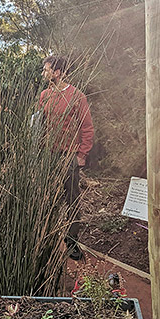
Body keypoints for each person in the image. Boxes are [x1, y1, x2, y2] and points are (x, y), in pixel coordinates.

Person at [40, 55, 94, 261]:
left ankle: (71, 241)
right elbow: (40, 124)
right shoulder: (44, 95)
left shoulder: (76, 96)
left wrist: (82, 155)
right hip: (48, 156)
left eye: (46, 70)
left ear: (58, 72)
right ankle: (47, 238)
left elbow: (87, 128)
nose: (44, 74)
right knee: (47, 199)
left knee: (72, 200)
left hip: (69, 156)